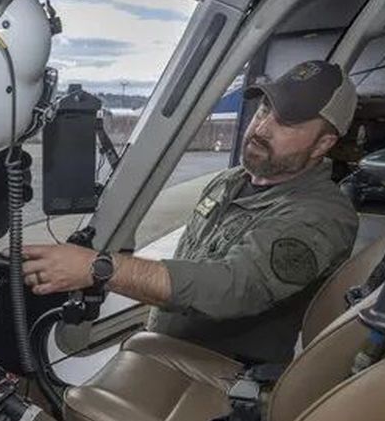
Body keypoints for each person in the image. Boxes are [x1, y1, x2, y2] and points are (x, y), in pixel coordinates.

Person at [23, 60, 360, 364]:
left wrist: (100, 268)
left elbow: (232, 287)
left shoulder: (323, 215)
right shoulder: (230, 181)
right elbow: (194, 264)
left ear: (322, 144)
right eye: (264, 109)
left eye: (286, 122)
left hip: (222, 372)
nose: (261, 128)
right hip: (166, 345)